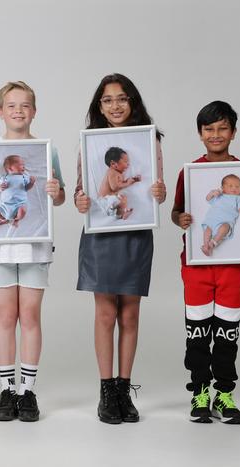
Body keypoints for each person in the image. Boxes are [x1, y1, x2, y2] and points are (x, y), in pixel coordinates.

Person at [74, 74, 166, 424]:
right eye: (108, 99)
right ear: (99, 106)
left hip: (136, 233)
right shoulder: (90, 142)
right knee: (104, 314)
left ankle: (125, 389)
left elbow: (157, 190)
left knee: (129, 313)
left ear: (133, 102)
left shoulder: (148, 139)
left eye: (122, 98)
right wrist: (81, 201)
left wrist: (159, 194)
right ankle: (106, 390)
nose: (116, 105)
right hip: (101, 235)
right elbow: (82, 194)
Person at [0, 81, 65, 422]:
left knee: (30, 315)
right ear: (1, 111)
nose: (18, 111)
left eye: (24, 105)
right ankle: (7, 389)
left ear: (34, 111)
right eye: (11, 105)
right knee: (5, 316)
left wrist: (56, 191)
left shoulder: (46, 149)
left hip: (36, 243)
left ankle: (28, 391)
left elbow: (60, 196)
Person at [171, 100, 240, 424]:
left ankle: (224, 394)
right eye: (209, 129)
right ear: (200, 134)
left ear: (233, 132)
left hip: (233, 268)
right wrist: (180, 218)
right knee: (197, 334)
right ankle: (199, 392)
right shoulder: (190, 172)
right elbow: (176, 212)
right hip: (196, 267)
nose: (216, 134)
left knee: (227, 333)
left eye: (222, 128)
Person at [200, 174, 240, 256]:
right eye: (230, 186)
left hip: (225, 222)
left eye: (237, 186)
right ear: (223, 188)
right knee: (207, 230)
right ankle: (206, 245)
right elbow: (208, 199)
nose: (234, 188)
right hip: (211, 221)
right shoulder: (219, 195)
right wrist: (212, 193)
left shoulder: (237, 198)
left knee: (225, 228)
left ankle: (213, 243)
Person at [97, 146, 140, 220]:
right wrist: (127, 183)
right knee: (121, 200)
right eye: (125, 162)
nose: (128, 164)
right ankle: (118, 214)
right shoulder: (112, 172)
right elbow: (114, 187)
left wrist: (132, 180)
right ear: (113, 164)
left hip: (110, 200)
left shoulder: (119, 174)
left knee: (123, 199)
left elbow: (121, 183)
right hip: (104, 200)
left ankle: (121, 215)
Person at [0, 155, 36, 226]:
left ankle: (16, 219)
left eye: (24, 165)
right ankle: (4, 219)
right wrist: (1, 187)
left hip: (19, 204)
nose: (24, 166)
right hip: (6, 204)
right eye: (21, 165)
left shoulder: (24, 177)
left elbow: (27, 188)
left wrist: (31, 183)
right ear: (10, 168)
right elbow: (0, 188)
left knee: (22, 211)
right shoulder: (4, 178)